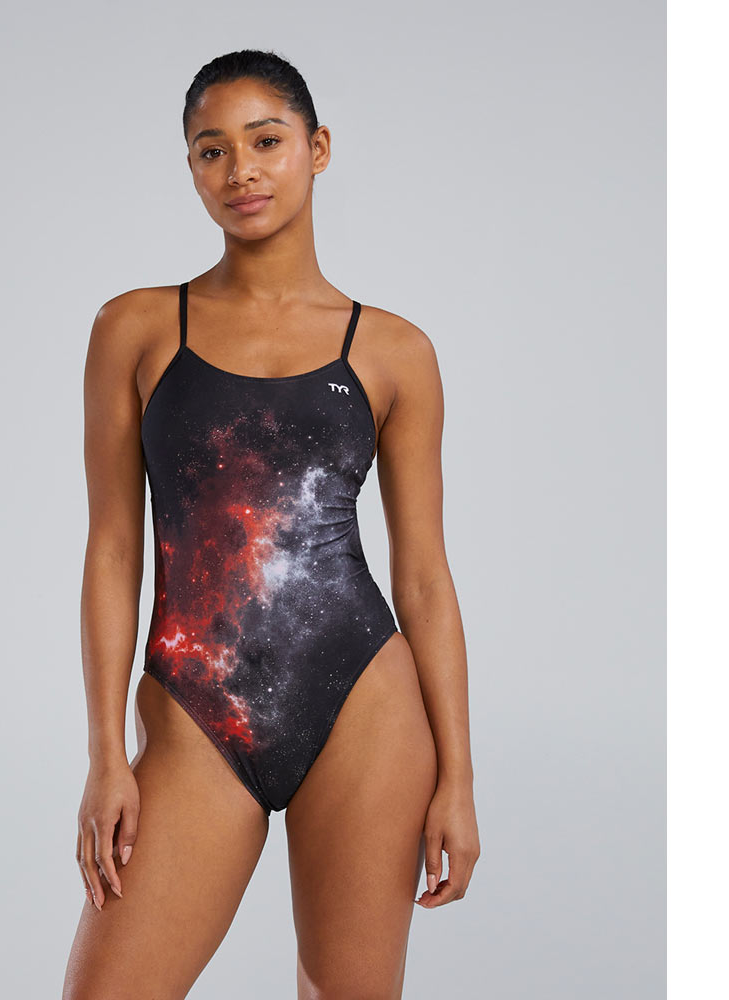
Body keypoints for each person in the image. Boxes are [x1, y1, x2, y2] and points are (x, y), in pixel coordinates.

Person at [62, 48, 480, 1000]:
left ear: (317, 148)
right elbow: (113, 549)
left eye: (265, 141)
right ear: (191, 168)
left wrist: (458, 778)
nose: (240, 171)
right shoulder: (136, 329)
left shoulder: (393, 351)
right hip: (195, 710)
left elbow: (424, 578)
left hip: (364, 704)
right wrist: (103, 756)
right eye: (212, 150)